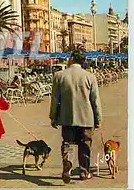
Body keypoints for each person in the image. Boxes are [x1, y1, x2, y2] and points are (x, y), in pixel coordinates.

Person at [49, 50, 102, 183]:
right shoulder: (90, 77)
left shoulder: (59, 75)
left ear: (71, 58)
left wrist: (53, 116)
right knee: (85, 145)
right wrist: (98, 119)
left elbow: (55, 99)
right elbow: (95, 100)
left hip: (67, 117)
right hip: (86, 118)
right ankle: (84, 172)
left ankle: (67, 165)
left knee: (68, 143)